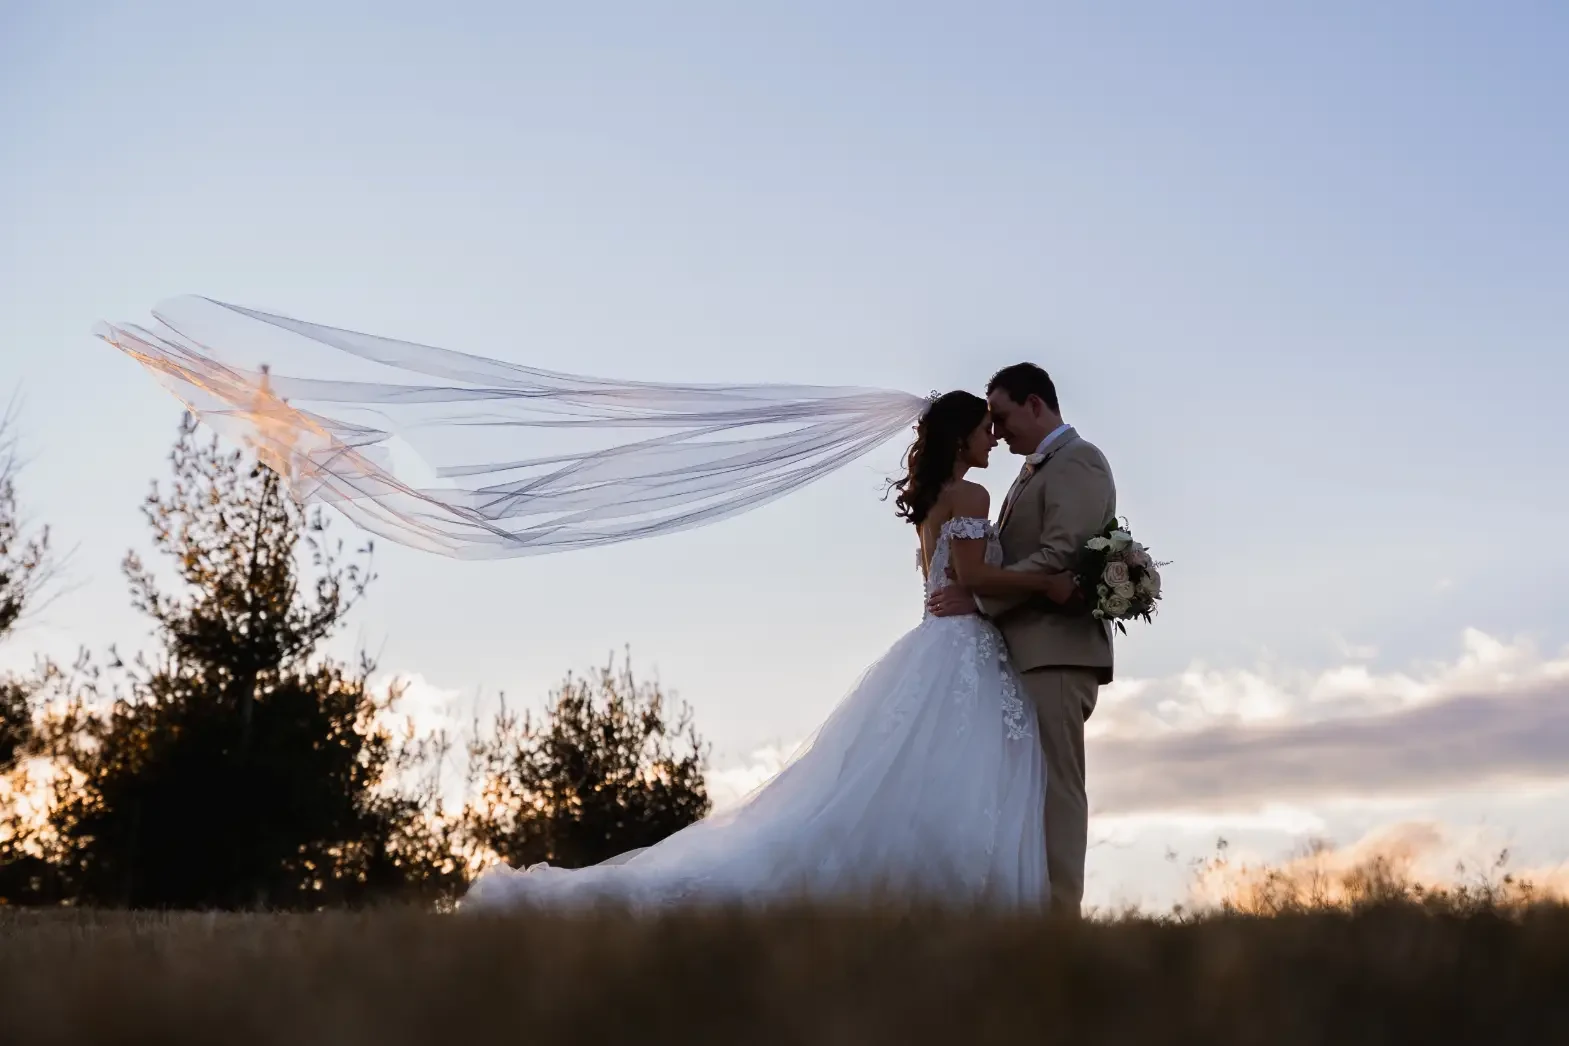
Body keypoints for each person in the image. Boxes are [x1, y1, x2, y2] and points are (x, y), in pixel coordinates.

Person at [460, 390, 1068, 912]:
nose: (993, 437)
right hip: (959, 646)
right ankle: (944, 892)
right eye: (984, 429)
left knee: (910, 770)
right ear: (960, 437)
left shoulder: (933, 497)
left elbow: (950, 581)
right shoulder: (971, 497)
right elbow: (973, 577)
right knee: (951, 773)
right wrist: (1046, 583)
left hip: (936, 641)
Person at [927, 364, 1117, 917]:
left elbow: (1061, 555)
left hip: (1056, 651)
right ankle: (1021, 915)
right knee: (1019, 791)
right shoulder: (1028, 474)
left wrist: (980, 598)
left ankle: (1059, 919)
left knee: (1055, 787)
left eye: (1003, 416)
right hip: (1022, 652)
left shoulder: (1079, 461)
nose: (998, 430)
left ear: (1035, 404)